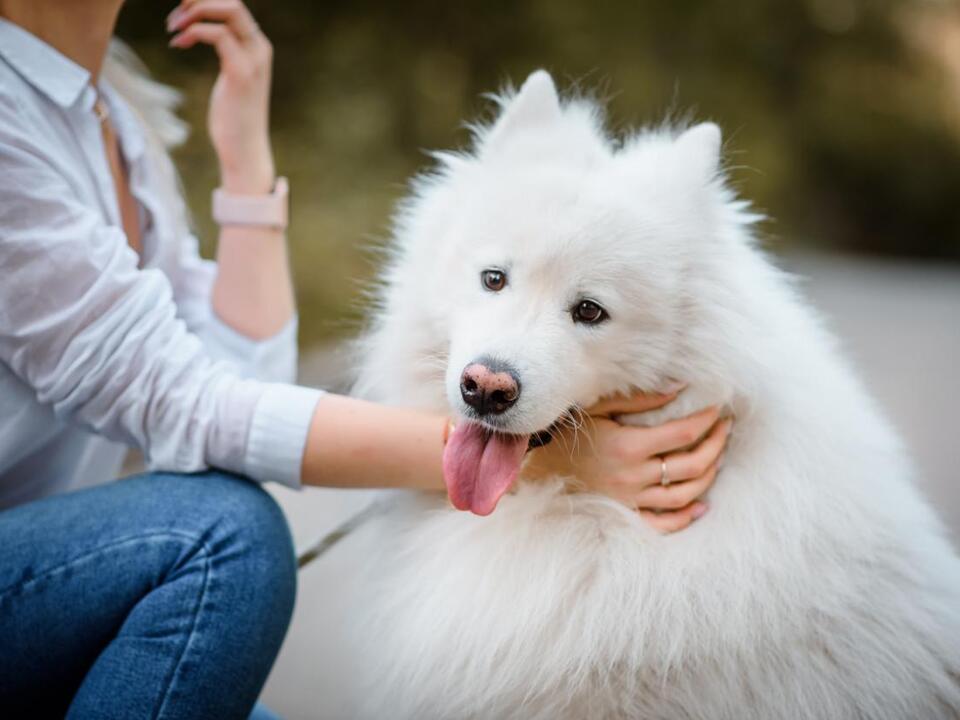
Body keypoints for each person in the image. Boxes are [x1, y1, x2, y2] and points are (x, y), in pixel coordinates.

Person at [0, 0, 731, 717]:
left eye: (589, 311)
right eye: (494, 280)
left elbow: (240, 382)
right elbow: (186, 409)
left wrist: (246, 158)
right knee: (222, 535)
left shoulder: (107, 112)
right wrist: (552, 461)